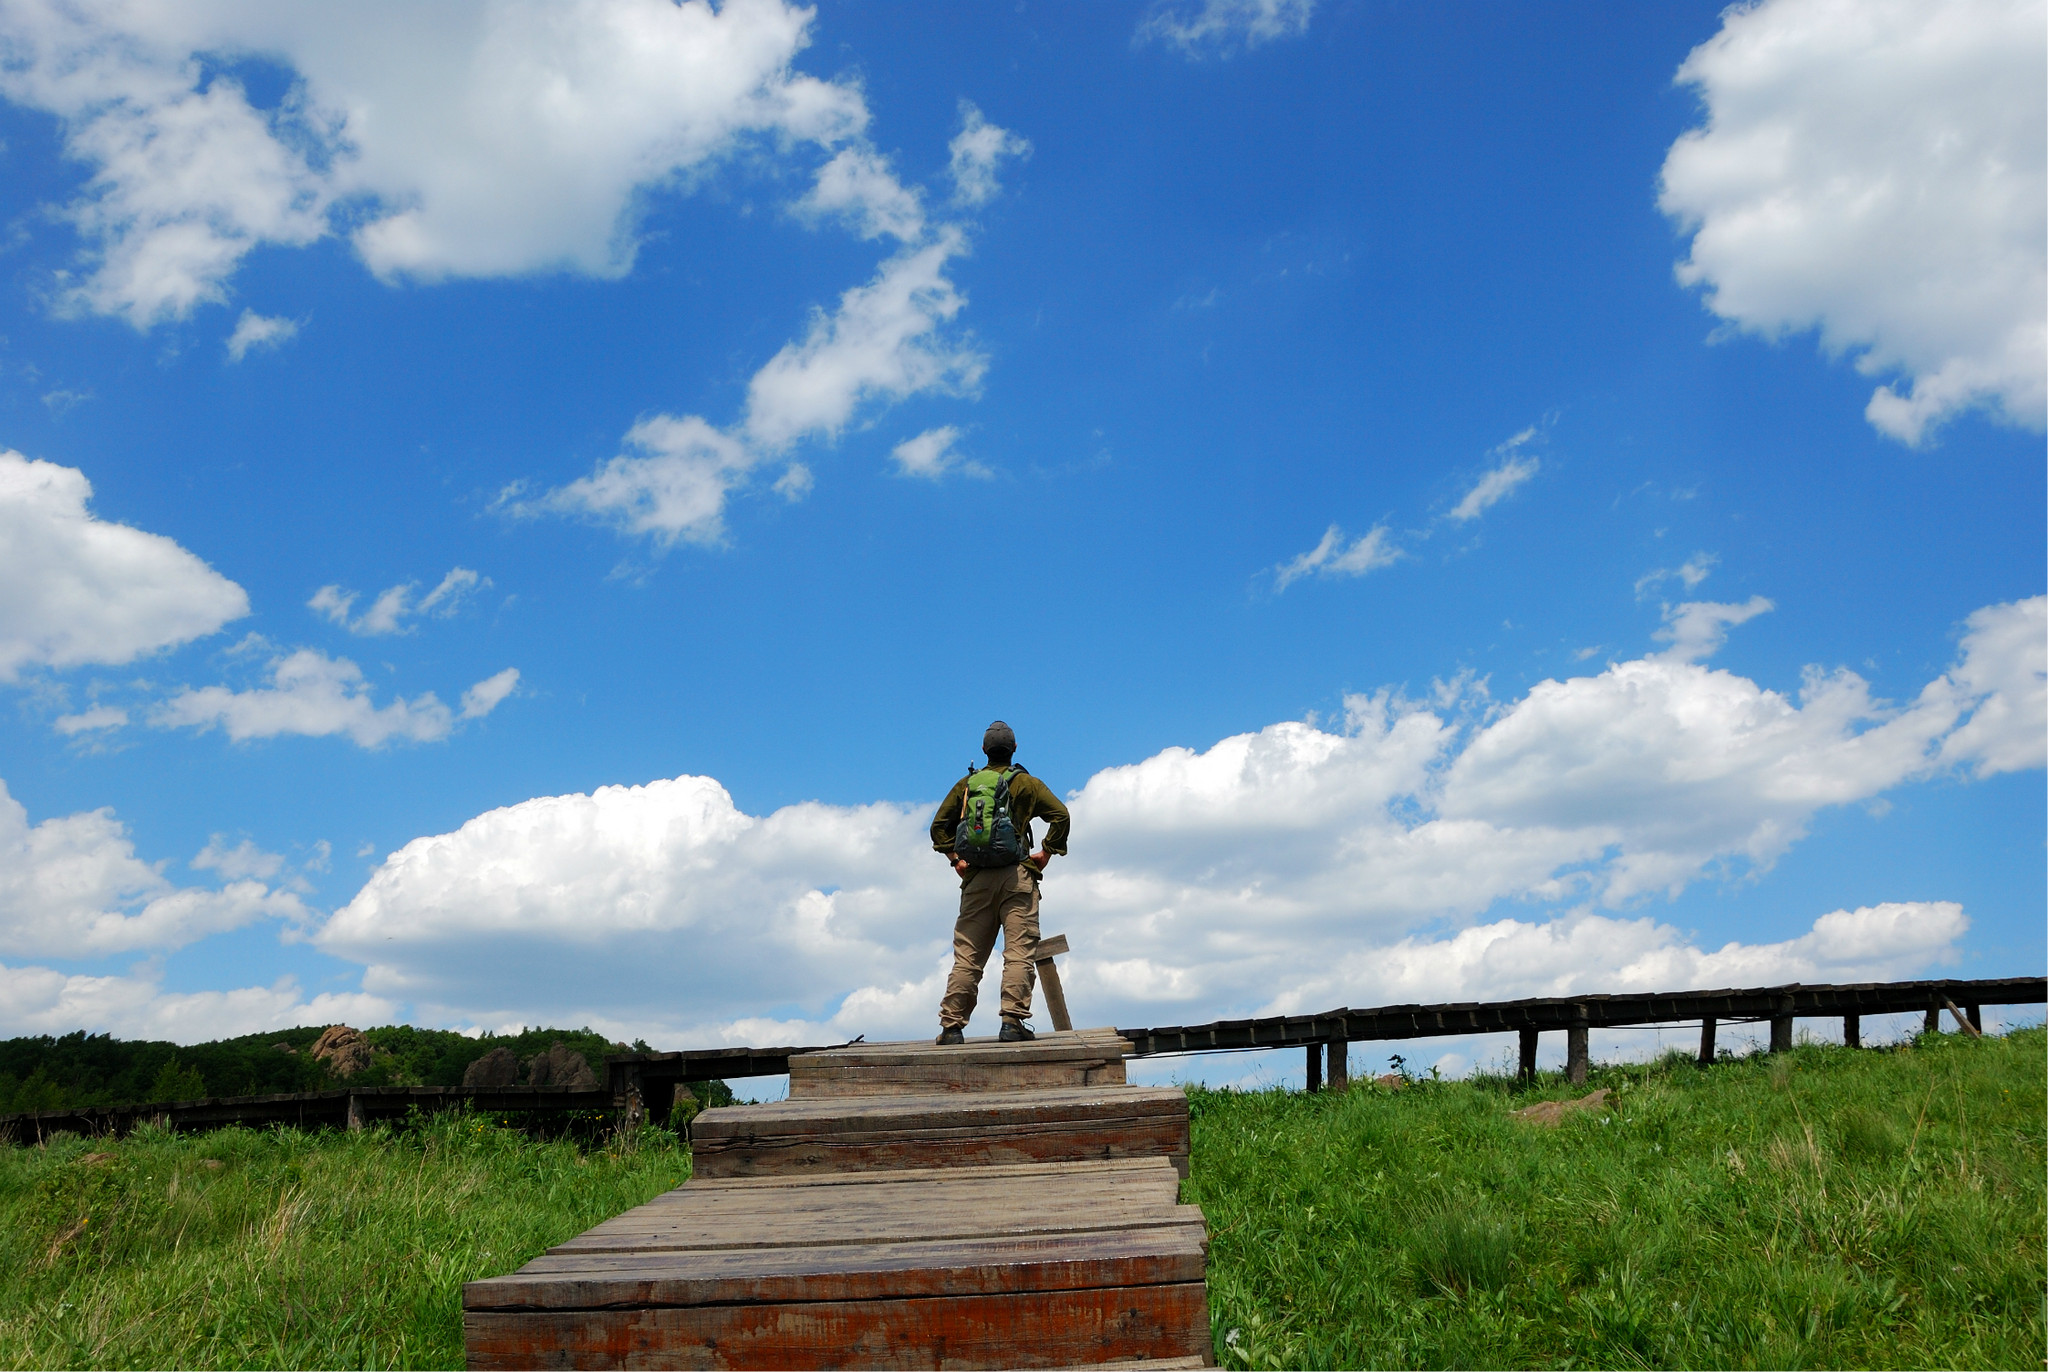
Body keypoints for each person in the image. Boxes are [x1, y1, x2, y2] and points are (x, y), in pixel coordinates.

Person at [930, 720, 1070, 1044]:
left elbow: (939, 827)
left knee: (968, 957)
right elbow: (1060, 815)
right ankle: (1012, 1023)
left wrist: (956, 860)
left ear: (984, 751)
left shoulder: (968, 784)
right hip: (1017, 878)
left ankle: (952, 1028)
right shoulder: (1028, 784)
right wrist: (1046, 853)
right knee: (1018, 953)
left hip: (976, 880)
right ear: (1015, 749)